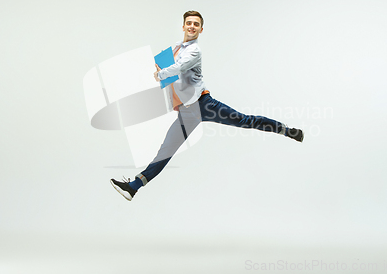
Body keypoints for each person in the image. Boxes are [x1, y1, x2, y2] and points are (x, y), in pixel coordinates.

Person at [110, 11, 303, 201]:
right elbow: (174, 78)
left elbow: (178, 68)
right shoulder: (176, 48)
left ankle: (286, 130)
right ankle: (133, 187)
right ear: (183, 26)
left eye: (196, 24)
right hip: (187, 112)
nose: (192, 26)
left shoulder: (194, 50)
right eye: (189, 23)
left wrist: (161, 74)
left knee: (244, 120)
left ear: (201, 29)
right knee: (166, 150)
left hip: (203, 104)